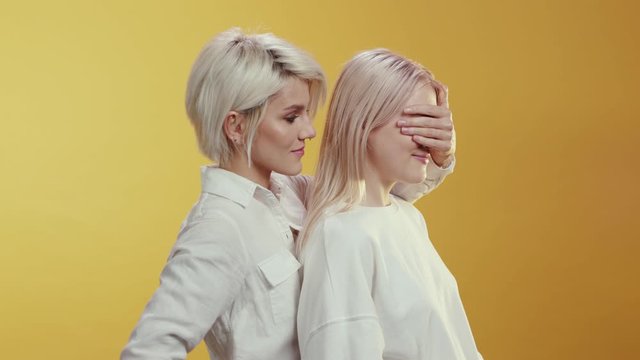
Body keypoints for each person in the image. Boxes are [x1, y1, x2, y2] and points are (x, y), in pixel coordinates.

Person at [121, 29, 455, 360]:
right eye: (291, 117)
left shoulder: (296, 193)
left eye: (308, 114)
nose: (309, 131)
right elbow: (149, 349)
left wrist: (438, 151)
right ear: (236, 126)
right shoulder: (217, 229)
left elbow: (379, 201)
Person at [297, 49, 481, 359]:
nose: (428, 138)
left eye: (433, 122)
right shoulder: (339, 236)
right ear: (364, 122)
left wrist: (445, 153)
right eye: (415, 121)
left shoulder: (406, 217)